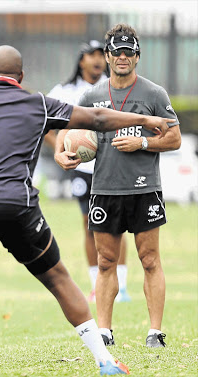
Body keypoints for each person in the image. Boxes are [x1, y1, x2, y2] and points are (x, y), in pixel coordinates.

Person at [0, 45, 173, 375]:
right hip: (18, 207)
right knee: (58, 277)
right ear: (21, 77)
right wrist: (144, 118)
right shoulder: (38, 103)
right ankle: (105, 361)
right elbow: (97, 118)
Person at [55, 24, 181, 348]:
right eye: (117, 51)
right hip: (105, 189)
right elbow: (66, 129)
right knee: (106, 261)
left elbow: (174, 137)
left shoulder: (154, 94)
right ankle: (105, 331)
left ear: (137, 56)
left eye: (129, 51)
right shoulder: (92, 96)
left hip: (144, 188)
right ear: (108, 57)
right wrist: (62, 154)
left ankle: (155, 332)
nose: (122, 57)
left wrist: (142, 143)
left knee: (149, 259)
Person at [48, 40, 131, 303]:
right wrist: (61, 148)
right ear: (81, 60)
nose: (97, 60)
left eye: (100, 55)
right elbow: (47, 124)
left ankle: (122, 286)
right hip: (82, 168)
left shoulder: (115, 86)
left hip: (111, 166)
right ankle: (97, 285)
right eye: (91, 55)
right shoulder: (65, 90)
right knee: (89, 224)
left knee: (116, 224)